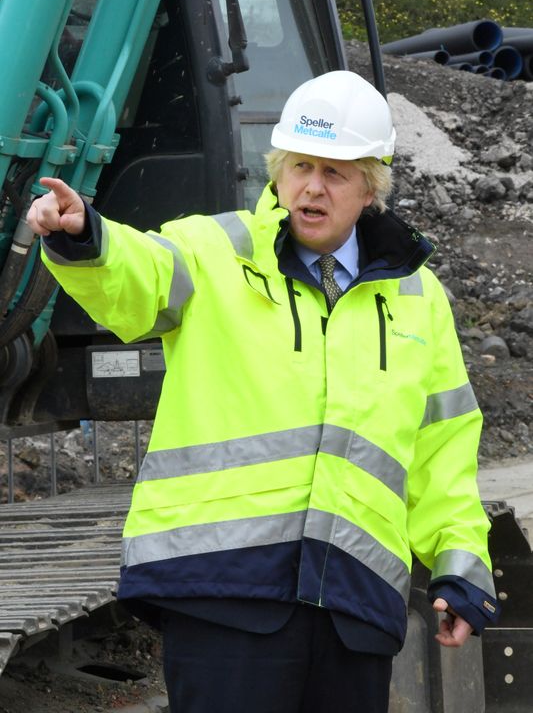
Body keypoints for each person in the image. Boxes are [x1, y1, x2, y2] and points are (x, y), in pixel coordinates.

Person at [28, 70, 498, 712]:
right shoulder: (215, 251)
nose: (312, 186)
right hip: (223, 590)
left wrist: (461, 568)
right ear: (277, 172)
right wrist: (88, 237)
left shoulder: (420, 299)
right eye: (300, 166)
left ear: (371, 186)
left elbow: (444, 451)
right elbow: (137, 277)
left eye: (335, 172)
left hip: (353, 608)